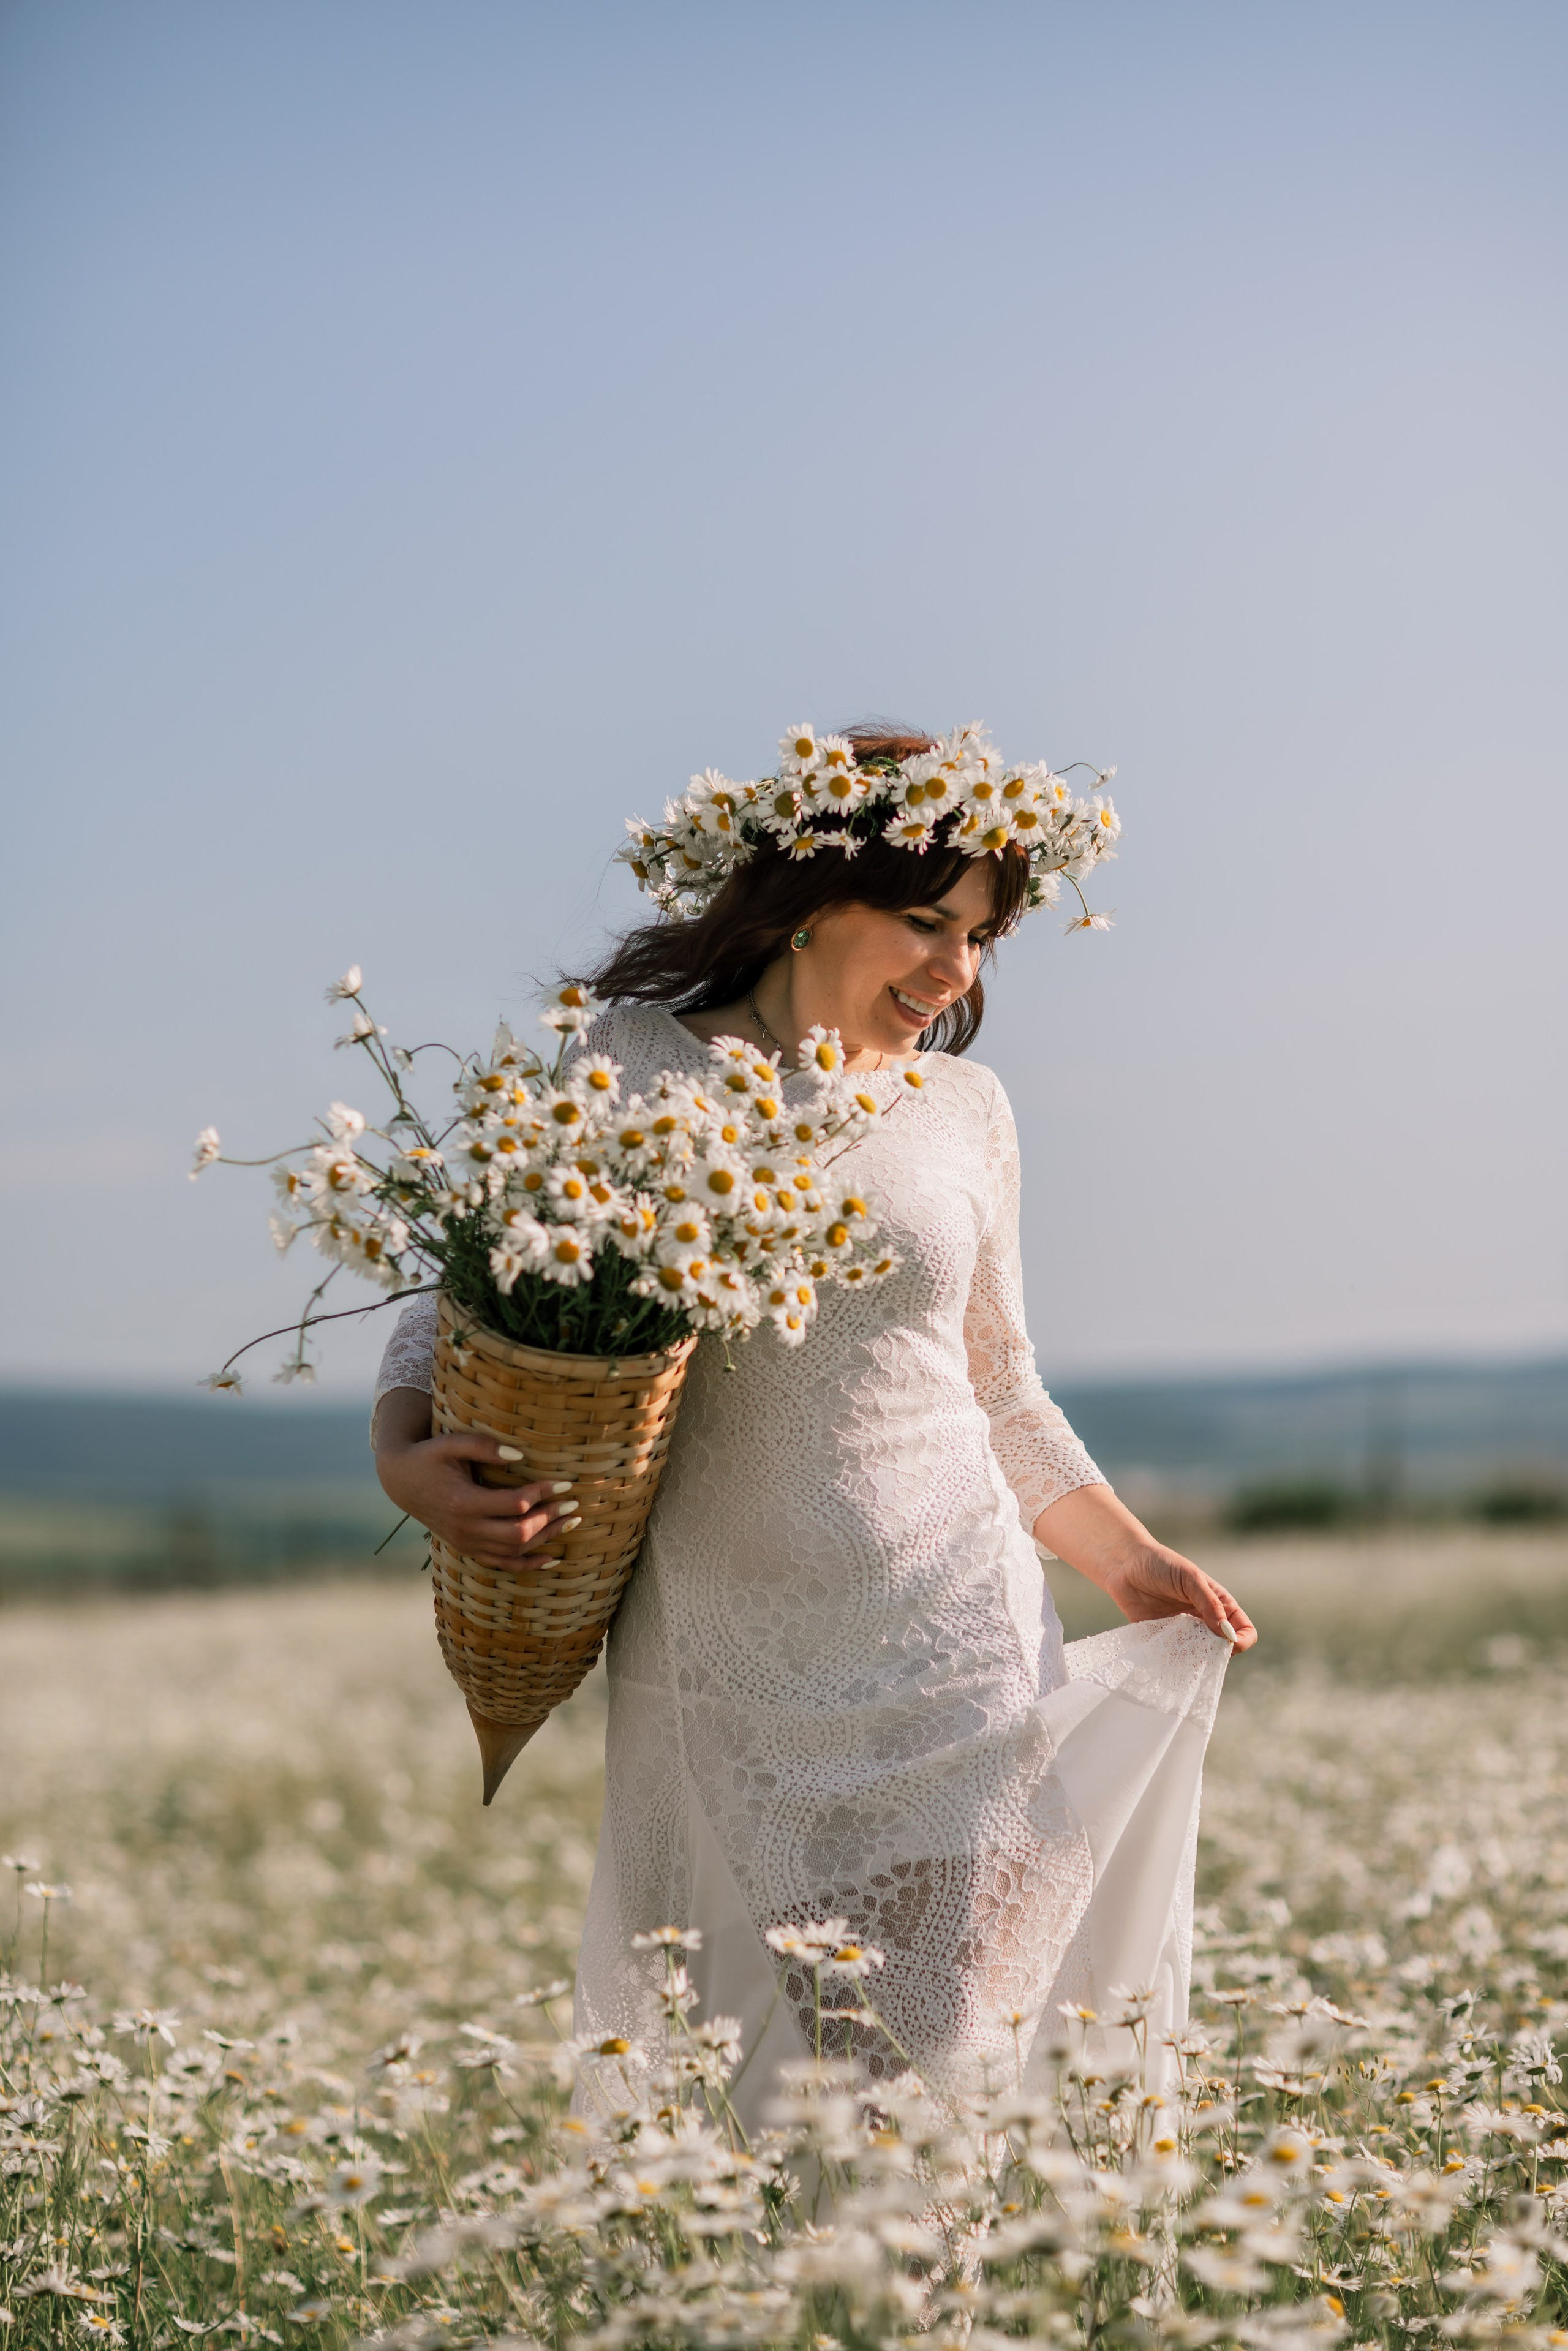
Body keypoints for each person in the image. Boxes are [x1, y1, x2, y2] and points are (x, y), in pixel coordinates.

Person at [371, 722, 1256, 2123]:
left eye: (979, 935)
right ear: (803, 898)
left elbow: (1000, 1379)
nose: (954, 970)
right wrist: (404, 1450)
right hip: (722, 1651)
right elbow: (463, 1293)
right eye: (923, 918)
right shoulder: (624, 1065)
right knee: (766, 2098)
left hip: (957, 1637)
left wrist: (1128, 1558)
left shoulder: (967, 1109)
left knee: (935, 2069)